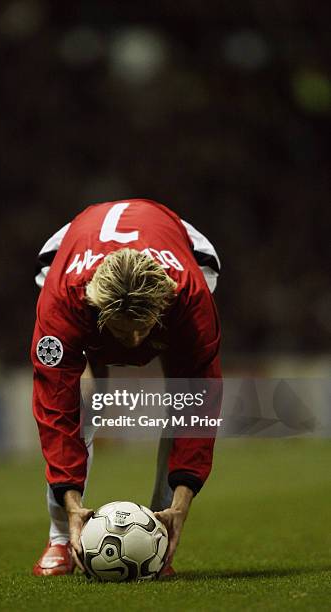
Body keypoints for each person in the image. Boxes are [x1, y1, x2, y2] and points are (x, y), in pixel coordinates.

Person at [31, 199, 222, 577]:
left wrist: (180, 505)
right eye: (122, 331)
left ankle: (162, 528)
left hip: (183, 248)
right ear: (96, 311)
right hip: (69, 252)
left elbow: (200, 406)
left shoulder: (189, 298)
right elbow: (55, 409)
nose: (135, 343)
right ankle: (58, 539)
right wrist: (70, 504)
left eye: (143, 328)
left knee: (182, 394)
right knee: (86, 398)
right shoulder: (63, 303)